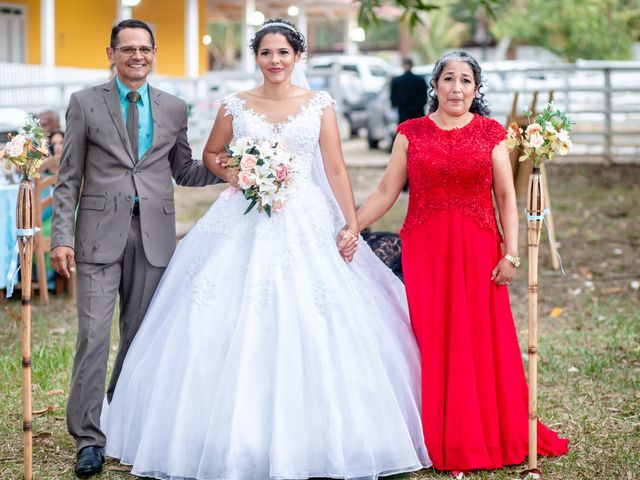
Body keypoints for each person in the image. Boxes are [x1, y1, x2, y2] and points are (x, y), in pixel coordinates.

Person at [101, 19, 431, 480]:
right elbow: (214, 154)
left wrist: (351, 223)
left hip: (306, 218)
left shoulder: (319, 105)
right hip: (243, 216)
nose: (274, 61)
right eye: (265, 53)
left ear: (298, 57)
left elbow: (335, 168)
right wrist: (240, 173)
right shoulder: (235, 105)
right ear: (256, 57)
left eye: (283, 53)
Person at [354, 50, 569, 476]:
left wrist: (511, 254)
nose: (456, 88)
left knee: (479, 338)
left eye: (465, 80)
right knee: (431, 338)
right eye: (448, 79)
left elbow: (506, 198)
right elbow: (385, 192)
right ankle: (432, 437)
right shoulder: (410, 133)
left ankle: (484, 433)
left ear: (476, 88)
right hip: (425, 248)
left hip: (478, 249)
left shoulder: (491, 133)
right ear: (434, 86)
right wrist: (352, 227)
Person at [50, 19, 222, 477]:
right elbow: (68, 179)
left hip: (155, 237)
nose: (137, 56)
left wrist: (234, 167)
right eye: (127, 49)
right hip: (97, 237)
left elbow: (183, 170)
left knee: (140, 338)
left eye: (144, 48)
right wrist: (60, 237)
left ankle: (120, 421)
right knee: (92, 338)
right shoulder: (84, 104)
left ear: (154, 52)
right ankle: (88, 437)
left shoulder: (174, 107)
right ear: (111, 54)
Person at [390, 58, 427, 124]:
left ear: (403, 66)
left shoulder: (396, 81)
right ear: (412, 65)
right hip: (418, 114)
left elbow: (393, 99)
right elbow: (424, 98)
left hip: (403, 114)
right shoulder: (420, 80)